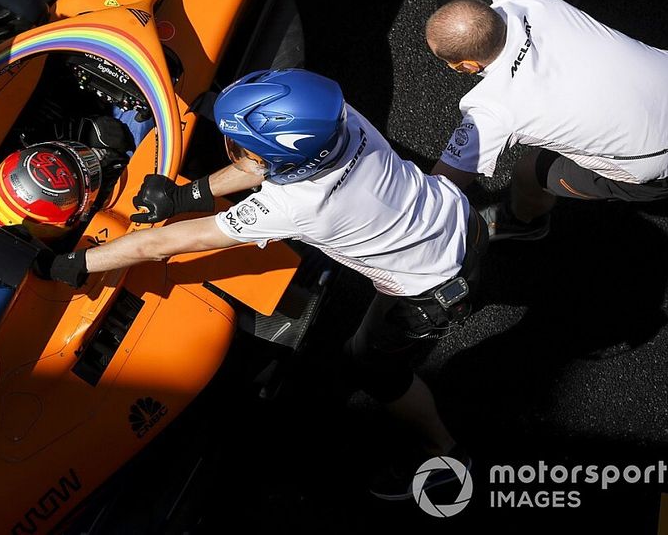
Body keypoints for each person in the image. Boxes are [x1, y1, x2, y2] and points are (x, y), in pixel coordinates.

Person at [42, 68, 488, 499]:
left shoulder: (298, 207)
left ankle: (446, 455)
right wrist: (185, 195)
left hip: (428, 291)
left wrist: (77, 262)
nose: (235, 152)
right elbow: (264, 164)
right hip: (461, 220)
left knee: (372, 369)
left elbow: (167, 244)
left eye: (239, 147)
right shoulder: (338, 118)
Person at [403, 0, 668, 241]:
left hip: (667, 169)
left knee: (530, 170)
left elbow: (439, 188)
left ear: (466, 66)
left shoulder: (490, 108)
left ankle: (521, 223)